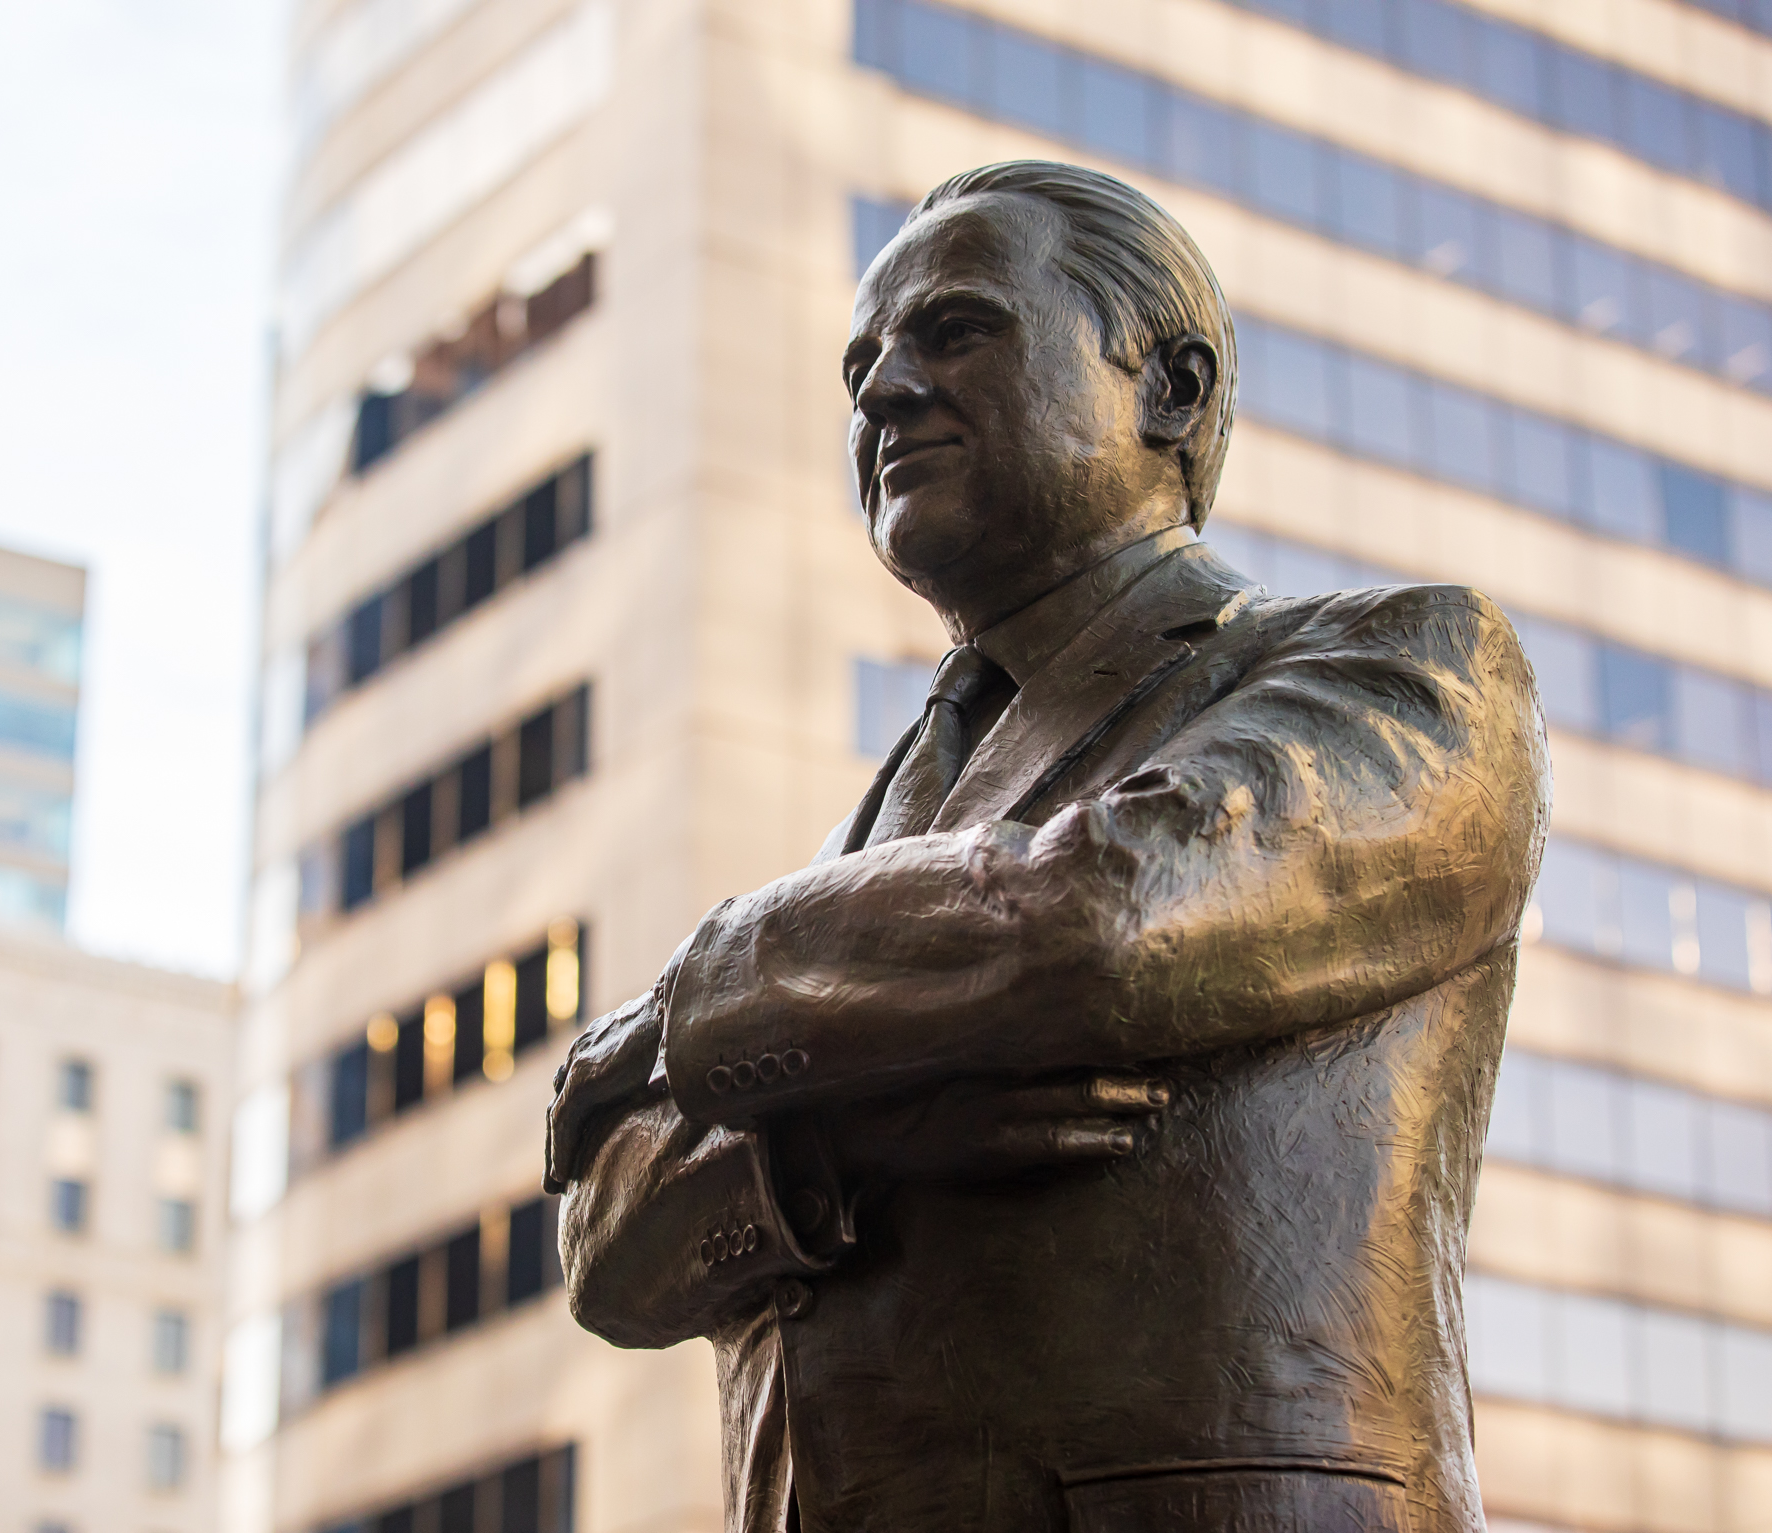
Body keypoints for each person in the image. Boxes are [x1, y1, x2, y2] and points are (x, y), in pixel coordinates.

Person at [544, 161, 1547, 1533]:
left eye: (957, 330)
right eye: (862, 364)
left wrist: (680, 1003)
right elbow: (603, 1236)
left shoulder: (1409, 670)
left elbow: (1110, 916)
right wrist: (831, 1152)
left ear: (1172, 388)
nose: (883, 390)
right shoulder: (868, 851)